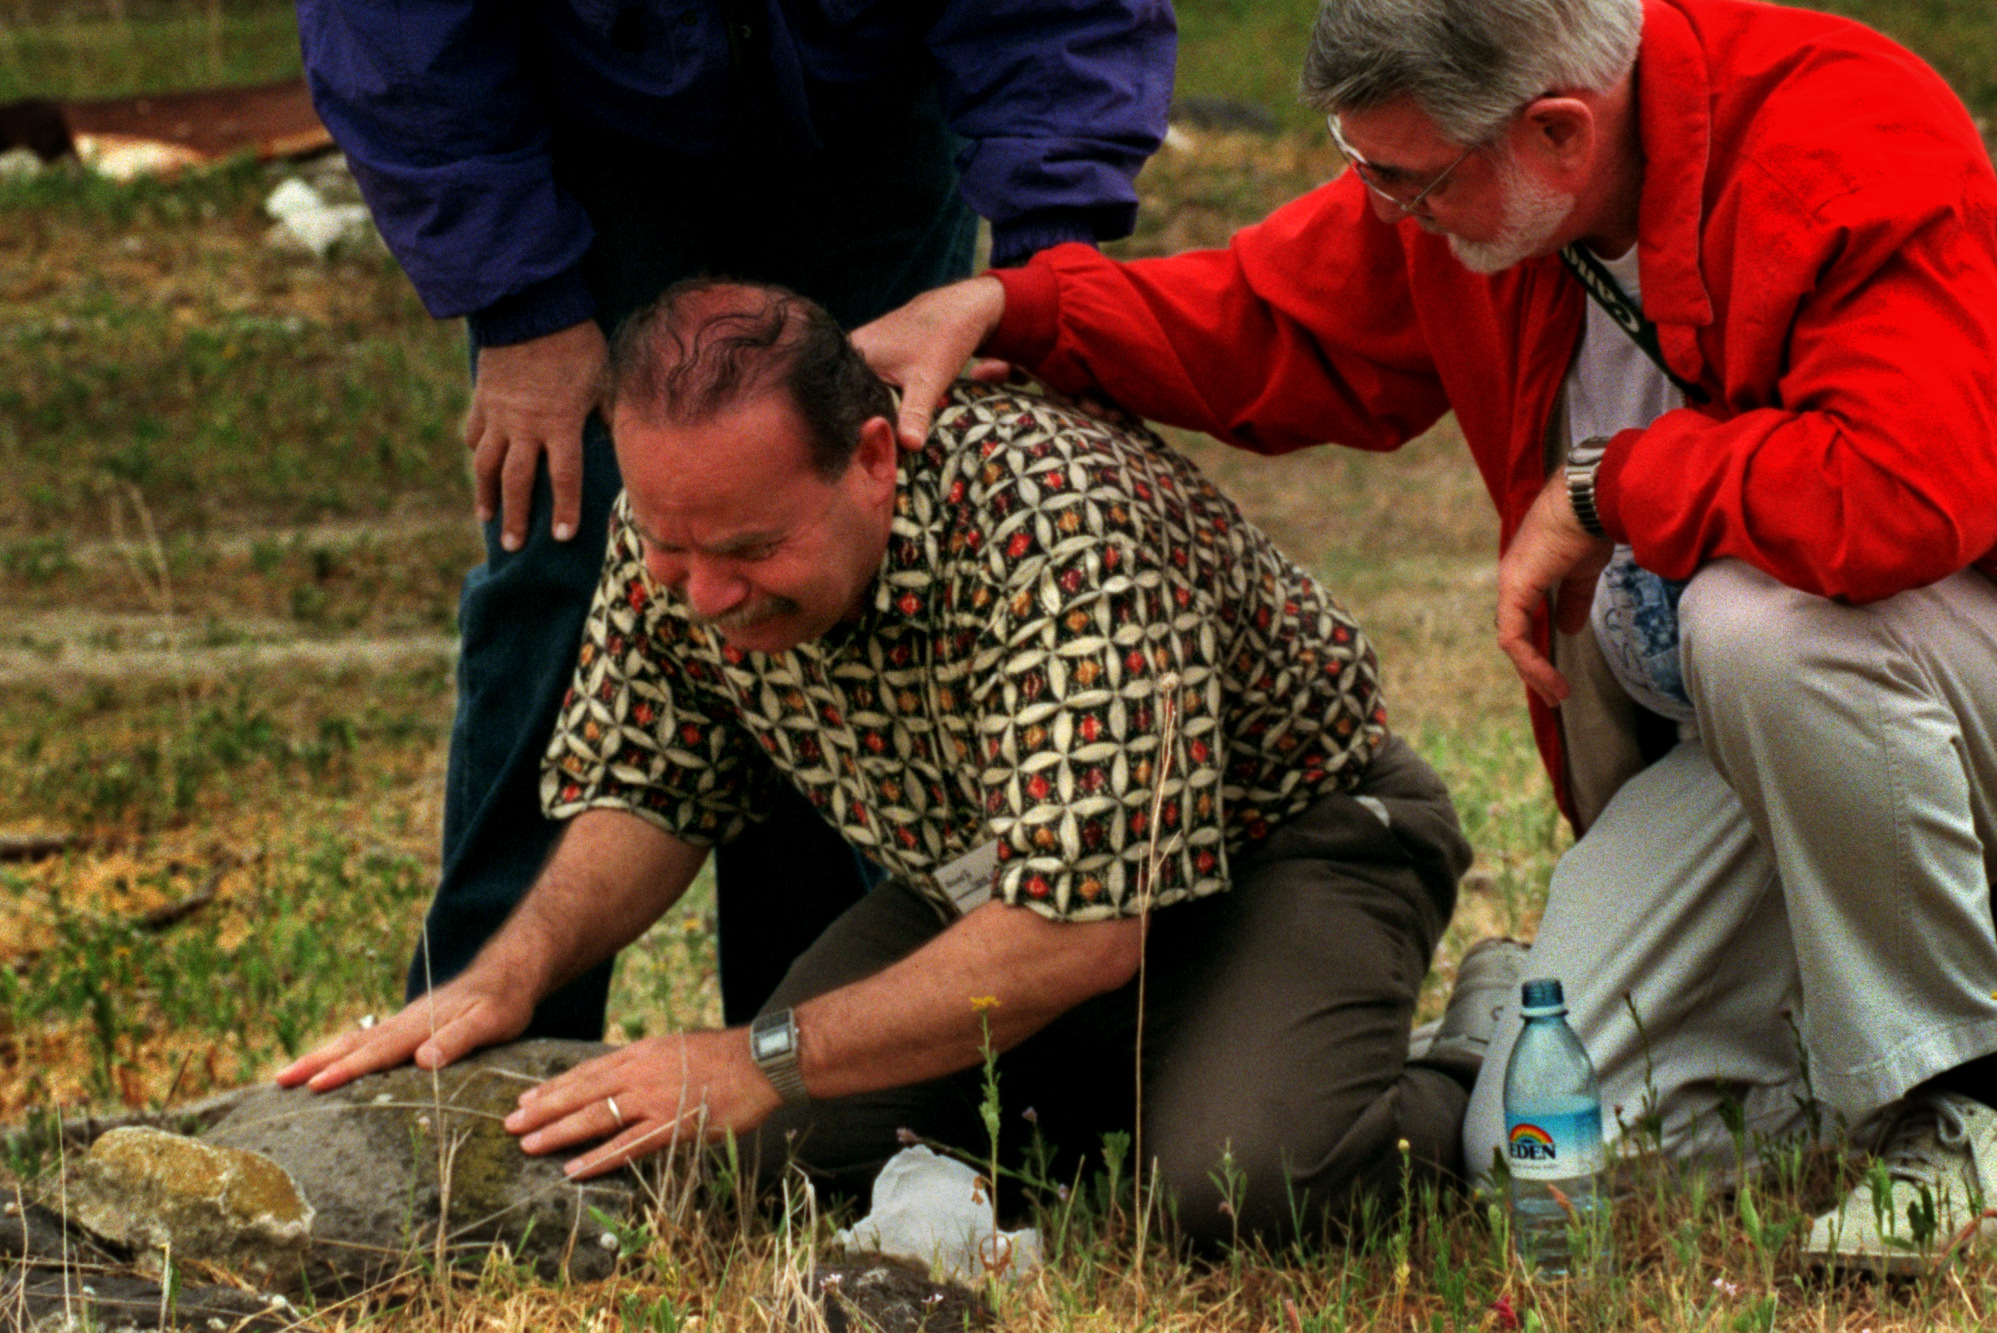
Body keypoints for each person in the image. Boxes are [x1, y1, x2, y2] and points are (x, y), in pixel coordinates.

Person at [851, 0, 1997, 1272]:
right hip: (1753, 758)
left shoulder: (1840, 130)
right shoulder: (1488, 163)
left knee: (1756, 622)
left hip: (1923, 684)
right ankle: (1827, 1057)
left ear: (1556, 130)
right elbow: (1267, 319)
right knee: (1549, 1157)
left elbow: (1899, 493)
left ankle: (1962, 1098)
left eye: (1403, 181)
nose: (1388, 214)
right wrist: (1009, 308)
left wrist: (1605, 486)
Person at [280, 279, 1483, 1246]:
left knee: (1238, 1189)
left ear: (870, 457)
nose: (702, 593)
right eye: (667, 544)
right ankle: (1149, 1087)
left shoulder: (1061, 526)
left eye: (750, 548)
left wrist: (756, 1050)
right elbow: (651, 785)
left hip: (1289, 847)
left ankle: (1479, 1073)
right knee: (744, 1165)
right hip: (988, 890)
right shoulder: (686, 520)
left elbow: (1079, 933)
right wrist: (512, 972)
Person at [294, 0, 1178, 1040]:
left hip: (869, 117)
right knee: (564, 563)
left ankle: (811, 1065)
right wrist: (518, 295)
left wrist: (1045, 254)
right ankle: (480, 1054)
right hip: (580, 125)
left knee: (849, 554)